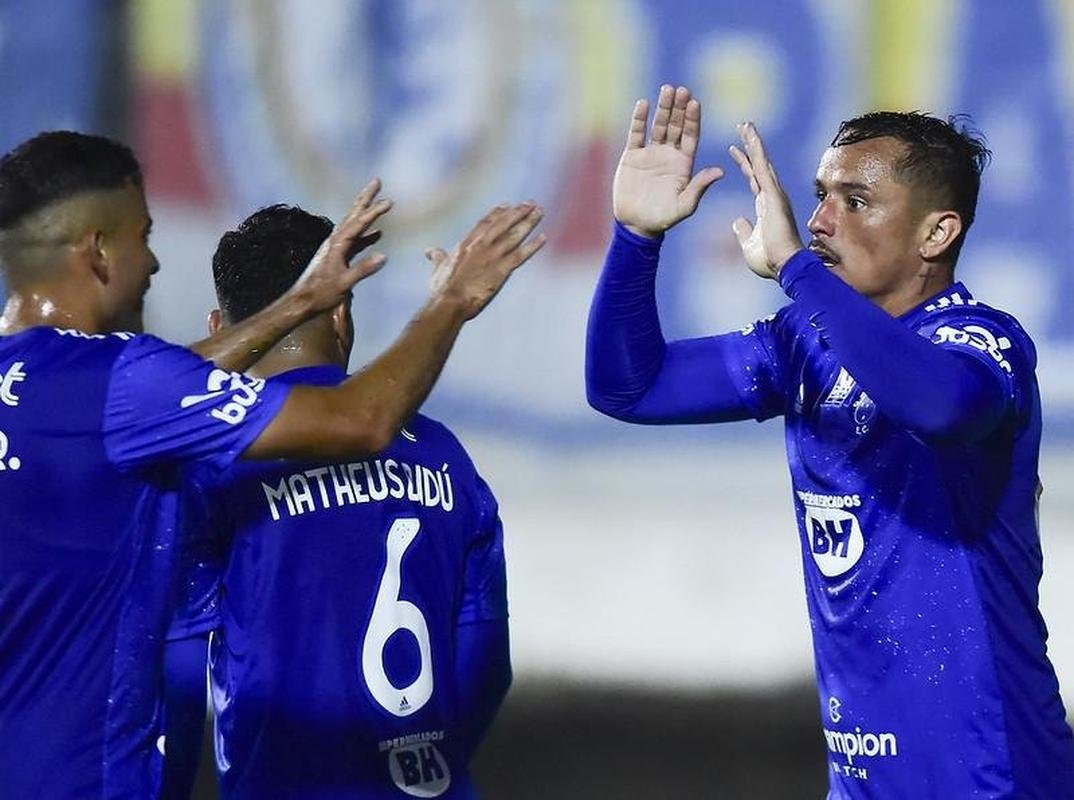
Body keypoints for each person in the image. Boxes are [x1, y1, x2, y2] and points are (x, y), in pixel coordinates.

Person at [0, 130, 542, 798]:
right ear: (98, 250)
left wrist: (293, 304)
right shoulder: (443, 457)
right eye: (143, 235)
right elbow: (361, 424)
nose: (152, 264)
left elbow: (181, 667)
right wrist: (450, 301)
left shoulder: (73, 400)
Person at [586, 85, 1074, 798]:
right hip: (860, 776)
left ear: (935, 235)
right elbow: (629, 388)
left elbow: (938, 406)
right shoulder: (803, 343)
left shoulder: (981, 340)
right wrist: (636, 238)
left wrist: (796, 273)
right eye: (819, 195)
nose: (816, 222)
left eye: (854, 201)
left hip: (988, 769)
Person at [163, 204, 511, 799]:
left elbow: (178, 677)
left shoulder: (209, 468)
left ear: (221, 327)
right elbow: (487, 668)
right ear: (343, 313)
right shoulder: (443, 455)